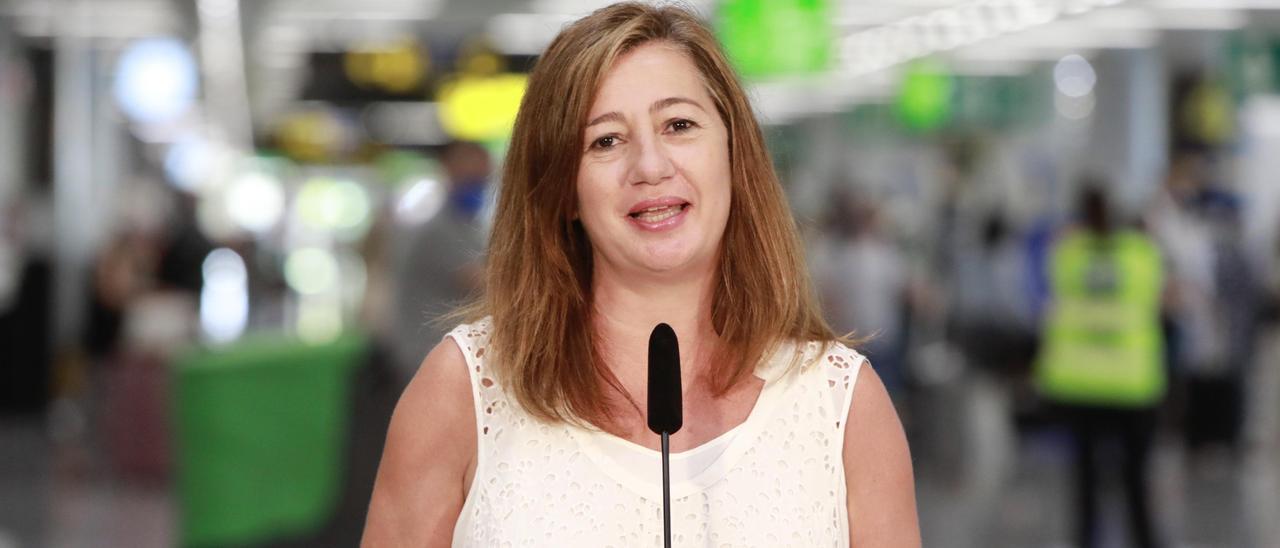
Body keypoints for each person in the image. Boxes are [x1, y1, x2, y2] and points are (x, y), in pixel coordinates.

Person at [362, 4, 919, 546]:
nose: (650, 166)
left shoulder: (842, 404)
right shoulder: (462, 393)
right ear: (564, 190)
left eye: (679, 125)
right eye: (605, 140)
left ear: (733, 155)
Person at [1035, 183, 1165, 548]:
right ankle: (1145, 540)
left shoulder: (1067, 253)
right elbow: (1161, 296)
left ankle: (1086, 541)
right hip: (1132, 383)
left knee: (1086, 482)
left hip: (1079, 383)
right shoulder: (1142, 253)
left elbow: (1048, 287)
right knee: (1136, 481)